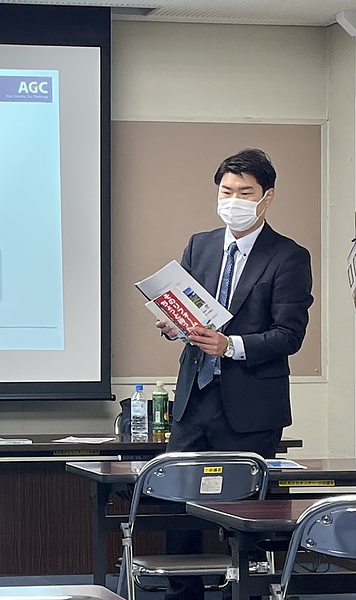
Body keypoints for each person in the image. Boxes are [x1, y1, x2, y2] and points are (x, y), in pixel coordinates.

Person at [155, 148, 313, 600]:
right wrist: (175, 326)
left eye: (245, 192)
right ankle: (182, 593)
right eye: (226, 191)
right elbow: (189, 310)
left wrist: (232, 346)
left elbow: (289, 335)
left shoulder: (288, 256)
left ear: (267, 197)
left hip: (250, 407)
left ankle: (245, 593)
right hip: (194, 399)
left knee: (245, 514)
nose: (233, 201)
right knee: (178, 508)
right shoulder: (200, 245)